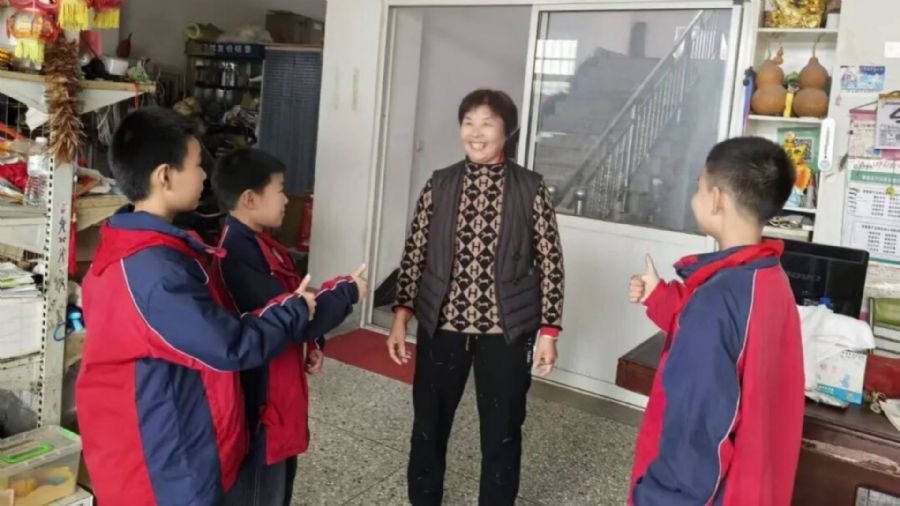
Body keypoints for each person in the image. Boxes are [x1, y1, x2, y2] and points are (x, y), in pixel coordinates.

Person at [75, 108, 322, 506]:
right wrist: (295, 310)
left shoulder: (138, 246)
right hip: (162, 468)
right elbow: (229, 345)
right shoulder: (154, 271)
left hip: (161, 436)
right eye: (196, 165)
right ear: (165, 176)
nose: (205, 175)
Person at [387, 89, 565, 505]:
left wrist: (549, 331)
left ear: (507, 131)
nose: (476, 132)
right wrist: (401, 316)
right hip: (442, 327)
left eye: (487, 123)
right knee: (428, 425)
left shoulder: (530, 188)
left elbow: (551, 263)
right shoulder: (440, 183)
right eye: (468, 123)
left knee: (503, 431)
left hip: (506, 332)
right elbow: (415, 253)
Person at [627, 136, 804, 505]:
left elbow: (694, 439)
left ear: (717, 199)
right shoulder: (770, 278)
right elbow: (734, 340)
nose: (695, 197)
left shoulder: (716, 300)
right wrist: (660, 296)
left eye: (699, 186)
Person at [210, 148, 367, 505]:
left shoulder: (261, 243)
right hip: (260, 403)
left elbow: (291, 302)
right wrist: (345, 292)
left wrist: (314, 342)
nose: (285, 199)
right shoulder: (235, 254)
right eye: (279, 190)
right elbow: (294, 318)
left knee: (279, 485)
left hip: (280, 389)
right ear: (250, 199)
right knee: (260, 490)